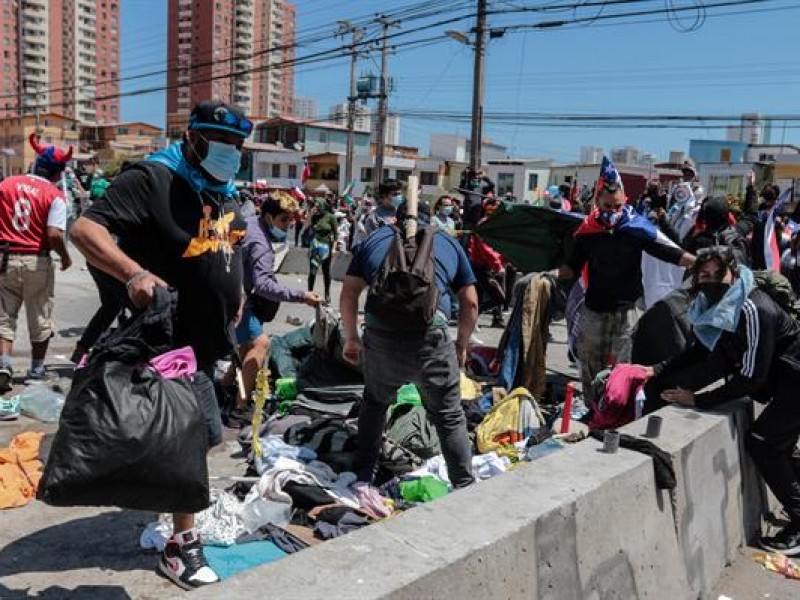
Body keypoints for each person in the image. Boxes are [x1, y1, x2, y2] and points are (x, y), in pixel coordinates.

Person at [69, 100, 253, 590]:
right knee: (189, 442)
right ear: (193, 138)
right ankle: (181, 547)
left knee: (210, 435)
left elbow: (224, 249)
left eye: (237, 145)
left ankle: (165, 497)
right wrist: (136, 274)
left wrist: (235, 296)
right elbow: (85, 229)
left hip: (209, 341)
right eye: (221, 143)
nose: (231, 153)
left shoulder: (222, 190)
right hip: (169, 340)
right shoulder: (153, 180)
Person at [643, 246, 800, 555]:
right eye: (705, 275)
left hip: (796, 380)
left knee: (764, 443)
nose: (712, 281)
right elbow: (708, 355)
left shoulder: (751, 309)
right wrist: (658, 374)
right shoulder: (712, 308)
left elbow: (751, 376)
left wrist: (698, 400)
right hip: (785, 383)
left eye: (719, 274)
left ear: (734, 273)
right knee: (779, 443)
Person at [340, 213, 479, 490]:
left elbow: (349, 292)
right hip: (431, 337)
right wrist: (461, 345)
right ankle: (464, 486)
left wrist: (352, 338)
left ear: (396, 220)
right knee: (448, 415)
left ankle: (363, 477)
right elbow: (471, 303)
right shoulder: (446, 242)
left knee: (376, 404)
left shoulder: (375, 238)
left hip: (381, 336)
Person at [558, 157, 695, 406]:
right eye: (607, 205)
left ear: (625, 201)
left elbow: (668, 251)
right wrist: (547, 273)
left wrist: (701, 263)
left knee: (624, 366)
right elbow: (571, 267)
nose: (612, 210)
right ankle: (593, 408)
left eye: (617, 204)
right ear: (597, 202)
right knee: (589, 361)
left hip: (628, 308)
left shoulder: (635, 227)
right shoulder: (588, 232)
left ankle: (619, 408)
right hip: (595, 308)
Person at [232, 191, 321, 413]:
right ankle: (239, 406)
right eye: (283, 220)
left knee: (243, 352)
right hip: (239, 300)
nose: (288, 226)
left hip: (232, 296)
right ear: (269, 217)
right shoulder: (260, 244)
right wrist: (301, 296)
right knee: (261, 344)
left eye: (290, 221)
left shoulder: (251, 224)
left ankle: (227, 388)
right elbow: (262, 284)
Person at [0, 134, 73, 391]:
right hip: (36, 261)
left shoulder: (6, 184)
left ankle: (4, 364)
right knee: (40, 317)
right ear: (56, 174)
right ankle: (36, 369)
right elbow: (54, 234)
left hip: (4, 259)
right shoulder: (54, 195)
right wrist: (65, 256)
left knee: (4, 317)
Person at [307, 197, 337, 304]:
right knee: (312, 272)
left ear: (323, 206)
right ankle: (309, 293)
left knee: (326, 272)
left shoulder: (331, 217)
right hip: (315, 247)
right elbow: (307, 226)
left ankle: (327, 293)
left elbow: (336, 234)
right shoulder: (315, 217)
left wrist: (333, 248)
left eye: (318, 206)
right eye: (316, 206)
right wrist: (311, 214)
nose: (317, 208)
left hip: (326, 247)